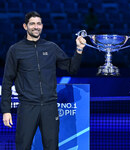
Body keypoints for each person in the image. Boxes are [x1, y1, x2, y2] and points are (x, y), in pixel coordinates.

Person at [1, 11, 86, 150]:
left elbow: (72, 69)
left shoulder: (51, 47)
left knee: (52, 147)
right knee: (22, 147)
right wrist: (6, 110)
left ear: (42, 26)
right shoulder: (15, 50)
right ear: (25, 26)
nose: (36, 26)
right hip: (27, 107)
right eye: (32, 24)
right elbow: (7, 81)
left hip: (50, 107)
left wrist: (79, 49)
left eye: (39, 23)